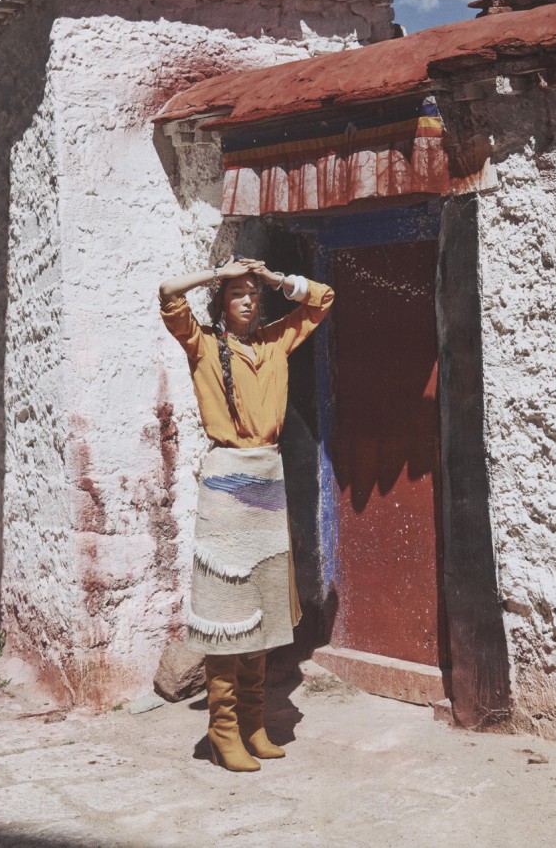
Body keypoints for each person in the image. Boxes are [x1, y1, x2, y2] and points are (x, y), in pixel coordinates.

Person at [159, 255, 334, 772]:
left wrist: (279, 279)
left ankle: (255, 724)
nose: (248, 299)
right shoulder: (203, 343)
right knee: (224, 612)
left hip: (269, 479)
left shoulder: (275, 340)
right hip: (226, 481)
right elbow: (169, 292)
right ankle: (223, 730)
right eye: (238, 292)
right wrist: (219, 272)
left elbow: (322, 298)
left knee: (262, 604)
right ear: (221, 300)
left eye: (253, 293)